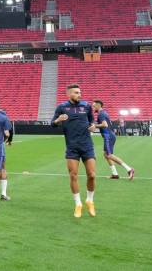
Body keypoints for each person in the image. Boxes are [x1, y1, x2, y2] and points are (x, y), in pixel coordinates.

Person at [52, 84, 97, 218]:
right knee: (73, 175)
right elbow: (52, 124)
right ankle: (78, 204)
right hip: (72, 146)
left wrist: (93, 126)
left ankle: (90, 200)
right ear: (69, 94)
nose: (79, 94)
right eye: (76, 92)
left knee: (92, 175)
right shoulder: (62, 107)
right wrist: (58, 120)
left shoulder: (86, 106)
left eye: (80, 92)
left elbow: (92, 120)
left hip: (87, 145)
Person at [92, 100, 135, 180]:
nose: (93, 107)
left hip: (108, 136)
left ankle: (129, 169)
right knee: (105, 154)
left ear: (98, 106)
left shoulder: (101, 114)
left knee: (109, 155)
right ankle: (115, 174)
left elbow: (105, 124)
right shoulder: (104, 113)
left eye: (94, 106)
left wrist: (94, 125)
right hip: (109, 135)